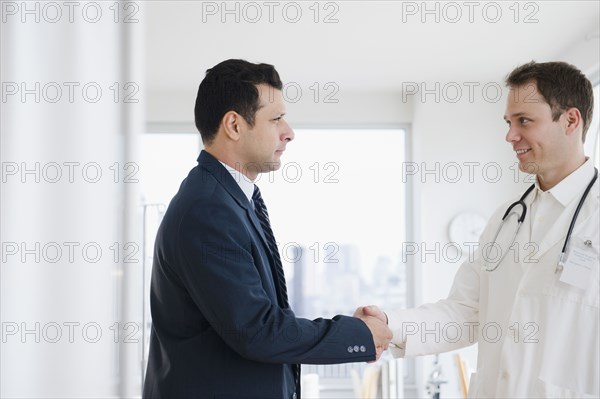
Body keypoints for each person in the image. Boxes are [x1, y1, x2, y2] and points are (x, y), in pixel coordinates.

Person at [143, 59, 392, 399]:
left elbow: (262, 321)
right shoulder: (208, 209)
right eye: (275, 119)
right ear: (234, 124)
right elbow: (258, 331)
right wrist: (357, 334)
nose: (289, 132)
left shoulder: (229, 200)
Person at [359, 61, 599, 397]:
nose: (510, 135)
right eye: (509, 122)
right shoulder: (507, 219)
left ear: (571, 120)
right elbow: (466, 313)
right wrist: (389, 323)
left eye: (524, 121)